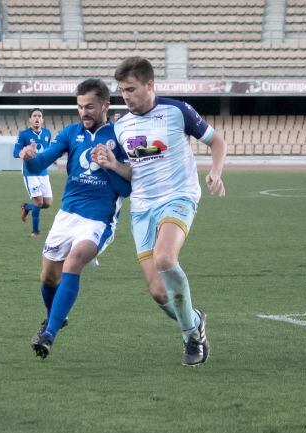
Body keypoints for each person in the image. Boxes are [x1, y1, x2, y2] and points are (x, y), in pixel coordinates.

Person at [93, 56, 227, 366]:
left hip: (178, 197)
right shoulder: (121, 126)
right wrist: (113, 165)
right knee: (157, 292)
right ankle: (194, 323)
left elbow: (216, 140)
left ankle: (191, 339)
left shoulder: (177, 111)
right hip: (141, 208)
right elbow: (132, 172)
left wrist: (216, 172)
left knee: (166, 258)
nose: (124, 96)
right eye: (121, 90)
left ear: (150, 85)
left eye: (130, 89)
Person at [21, 78, 131, 359]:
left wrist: (109, 165)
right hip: (67, 214)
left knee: (74, 260)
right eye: (80, 107)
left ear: (105, 105)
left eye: (90, 107)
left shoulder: (120, 136)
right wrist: (29, 157)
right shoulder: (71, 133)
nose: (84, 112)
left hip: (98, 218)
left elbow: (126, 189)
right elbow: (40, 162)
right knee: (48, 277)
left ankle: (49, 334)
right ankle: (55, 316)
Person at [13, 108, 53, 237]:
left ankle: (27, 207)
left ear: (42, 119)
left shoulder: (47, 133)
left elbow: (48, 151)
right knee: (39, 202)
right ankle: (35, 232)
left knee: (47, 203)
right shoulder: (23, 134)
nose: (37, 118)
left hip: (43, 172)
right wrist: (24, 152)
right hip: (30, 173)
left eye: (39, 116)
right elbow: (15, 152)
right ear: (30, 119)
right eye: (34, 116)